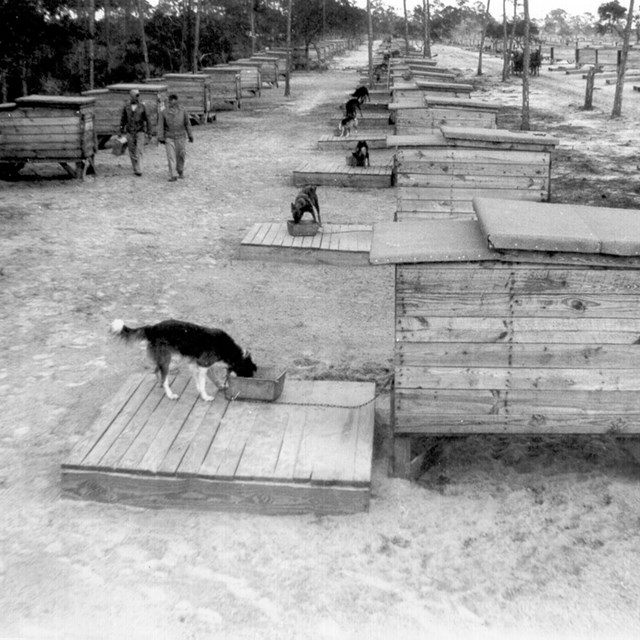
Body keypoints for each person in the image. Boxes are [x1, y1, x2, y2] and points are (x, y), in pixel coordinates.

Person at [157, 93, 193, 182]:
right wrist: (161, 137)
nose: (171, 102)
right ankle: (173, 175)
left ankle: (180, 171)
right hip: (169, 137)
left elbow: (187, 123)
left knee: (181, 155)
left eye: (173, 100)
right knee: (171, 156)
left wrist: (190, 135)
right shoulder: (164, 112)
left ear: (176, 101)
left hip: (181, 137)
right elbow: (160, 125)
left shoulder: (183, 110)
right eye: (170, 100)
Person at [119, 89, 149, 176]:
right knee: (131, 151)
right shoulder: (126, 107)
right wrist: (121, 130)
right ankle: (135, 168)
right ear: (131, 96)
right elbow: (123, 119)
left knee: (139, 150)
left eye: (138, 96)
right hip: (130, 132)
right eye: (136, 96)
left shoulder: (142, 106)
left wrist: (149, 131)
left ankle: (139, 169)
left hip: (140, 131)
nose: (137, 98)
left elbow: (147, 119)